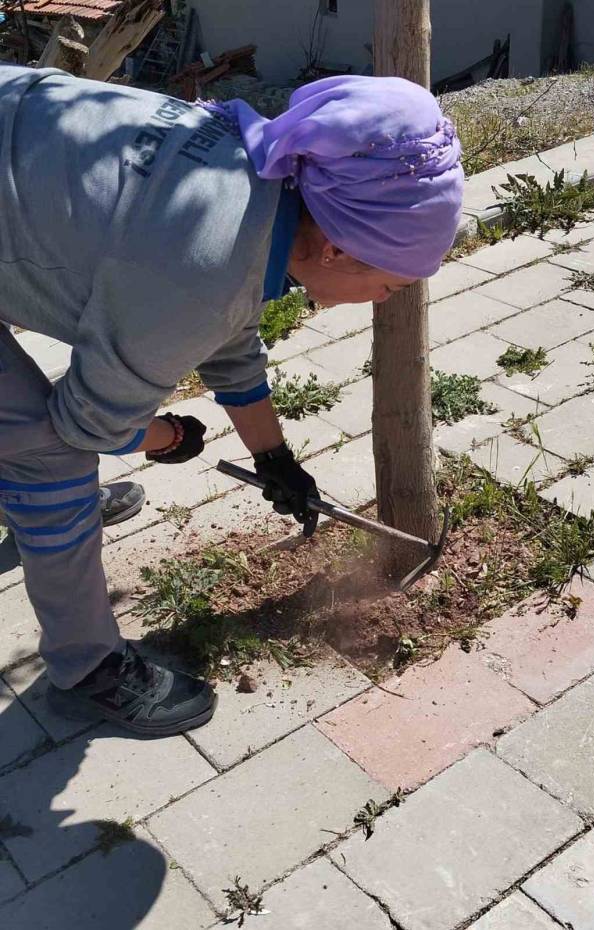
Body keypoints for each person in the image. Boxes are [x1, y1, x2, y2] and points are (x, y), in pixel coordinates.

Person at [0, 66, 464, 737]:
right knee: (51, 462)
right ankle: (87, 669)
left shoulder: (263, 178)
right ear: (336, 250)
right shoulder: (203, 269)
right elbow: (88, 422)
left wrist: (274, 457)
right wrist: (168, 439)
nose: (391, 298)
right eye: (392, 284)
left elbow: (228, 322)